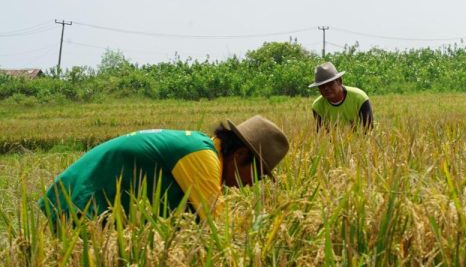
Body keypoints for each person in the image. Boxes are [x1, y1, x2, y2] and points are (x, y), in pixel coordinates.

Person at [39, 115, 289, 226]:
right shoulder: (202, 157)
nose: (251, 185)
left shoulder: (202, 150)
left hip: (84, 204)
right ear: (241, 155)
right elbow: (217, 227)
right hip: (78, 203)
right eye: (255, 175)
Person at [309, 61, 373, 131]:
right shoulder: (317, 106)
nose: (326, 89)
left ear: (339, 81)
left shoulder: (360, 98)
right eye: (321, 86)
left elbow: (369, 130)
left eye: (330, 83)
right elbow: (321, 135)